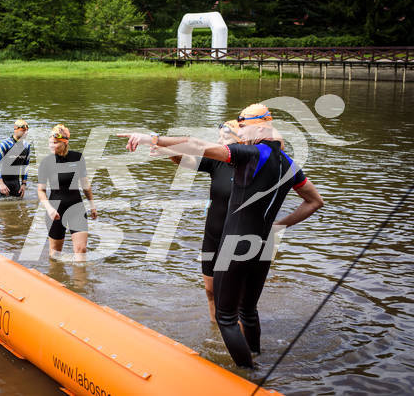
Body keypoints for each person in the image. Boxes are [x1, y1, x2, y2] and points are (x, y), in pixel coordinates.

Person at [119, 104, 323, 368]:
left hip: (235, 244)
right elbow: (315, 201)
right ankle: (257, 358)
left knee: (226, 318)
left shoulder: (251, 154)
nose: (242, 132)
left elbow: (196, 144)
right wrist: (278, 225)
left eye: (244, 127)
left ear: (261, 127)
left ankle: (248, 373)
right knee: (248, 311)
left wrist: (153, 138)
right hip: (263, 245)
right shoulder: (289, 163)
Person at [156, 120, 241, 323]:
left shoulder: (253, 165)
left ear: (241, 139)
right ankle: (215, 331)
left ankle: (239, 334)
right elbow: (185, 160)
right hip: (213, 234)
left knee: (233, 296)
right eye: (218, 137)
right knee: (210, 290)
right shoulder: (217, 162)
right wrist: (167, 149)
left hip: (238, 237)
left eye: (224, 137)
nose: (219, 141)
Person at [37, 124, 97, 262]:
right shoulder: (46, 162)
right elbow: (41, 190)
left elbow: (85, 185)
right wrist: (49, 209)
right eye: (50, 142)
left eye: (55, 142)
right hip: (55, 211)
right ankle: (57, 275)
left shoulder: (77, 157)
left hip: (76, 207)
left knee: (81, 250)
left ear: (65, 142)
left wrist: (92, 205)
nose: (51, 145)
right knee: (55, 254)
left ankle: (80, 276)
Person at [0, 119, 31, 198]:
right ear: (15, 129)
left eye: (27, 130)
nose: (26, 133)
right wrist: (1, 183)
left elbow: (25, 166)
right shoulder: (4, 144)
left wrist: (23, 184)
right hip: (2, 182)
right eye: (23, 130)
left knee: (18, 204)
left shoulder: (26, 146)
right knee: (2, 205)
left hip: (16, 183)